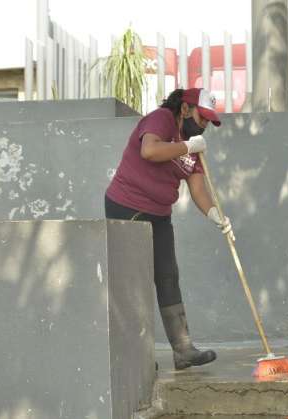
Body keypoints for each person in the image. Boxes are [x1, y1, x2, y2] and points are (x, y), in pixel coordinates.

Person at [105, 88, 234, 370]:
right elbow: (150, 150)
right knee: (134, 282)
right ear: (186, 109)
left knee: (168, 277)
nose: (204, 126)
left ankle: (183, 350)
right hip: (127, 208)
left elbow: (199, 188)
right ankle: (135, 356)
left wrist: (216, 216)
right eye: (203, 118)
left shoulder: (192, 147)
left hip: (159, 215)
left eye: (209, 122)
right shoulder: (161, 119)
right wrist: (189, 147)